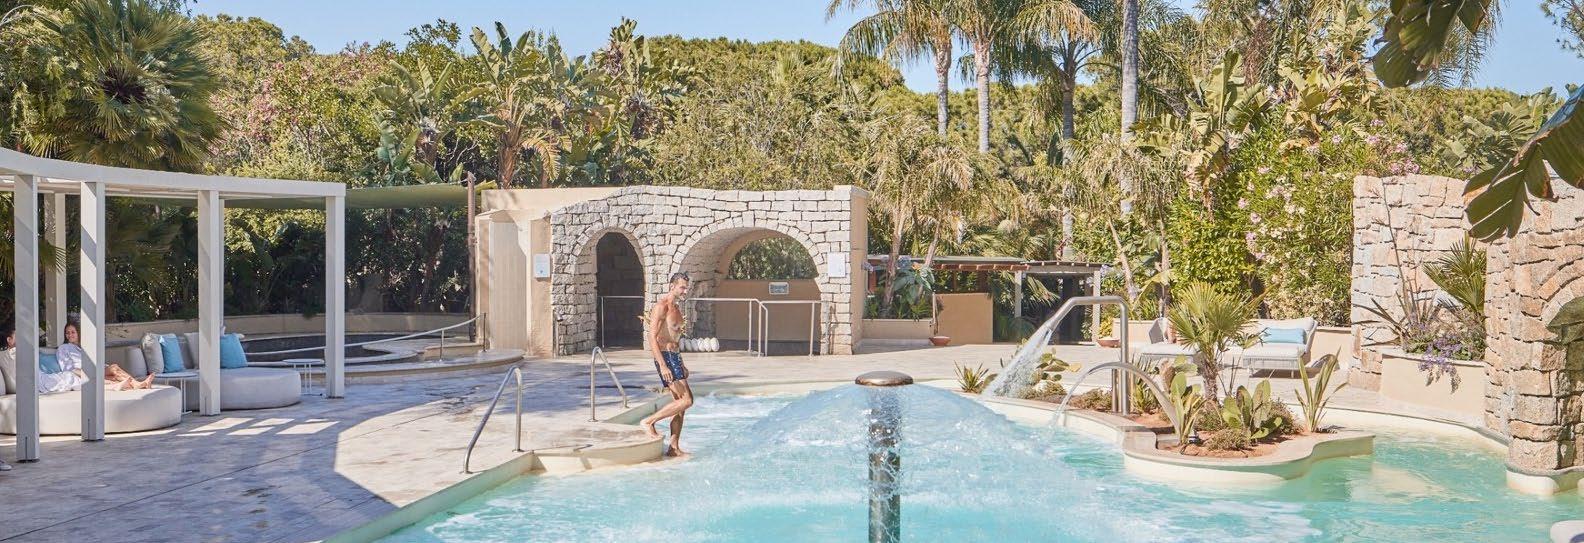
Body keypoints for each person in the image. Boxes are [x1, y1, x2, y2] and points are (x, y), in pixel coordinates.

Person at [640, 273, 695, 457]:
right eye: (682, 287)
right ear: (672, 286)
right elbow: (652, 337)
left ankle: (673, 448)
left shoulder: (677, 308)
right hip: (665, 357)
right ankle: (648, 421)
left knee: (680, 407)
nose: (685, 291)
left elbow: (675, 339)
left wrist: (682, 363)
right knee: (687, 400)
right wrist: (663, 366)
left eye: (686, 288)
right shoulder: (661, 307)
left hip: (674, 357)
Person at [39, 321, 154, 394]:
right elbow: (68, 368)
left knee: (114, 376)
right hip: (84, 372)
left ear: (78, 333)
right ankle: (138, 384)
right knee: (114, 368)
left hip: (95, 369)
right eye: (67, 333)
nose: (70, 335)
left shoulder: (82, 348)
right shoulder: (64, 348)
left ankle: (140, 385)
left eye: (73, 332)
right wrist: (87, 374)